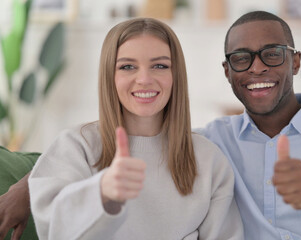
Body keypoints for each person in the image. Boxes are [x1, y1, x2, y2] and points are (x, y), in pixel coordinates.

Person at [0, 11, 301, 240]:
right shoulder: (214, 142)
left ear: (296, 61)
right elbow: (107, 155)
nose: (258, 67)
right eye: (243, 58)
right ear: (228, 73)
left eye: (273, 54)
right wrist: (29, 185)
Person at [26, 17, 242, 239]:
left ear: (175, 75)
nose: (144, 79)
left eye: (160, 66)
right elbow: (52, 228)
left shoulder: (209, 159)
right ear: (110, 76)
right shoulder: (77, 146)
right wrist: (101, 192)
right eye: (127, 67)